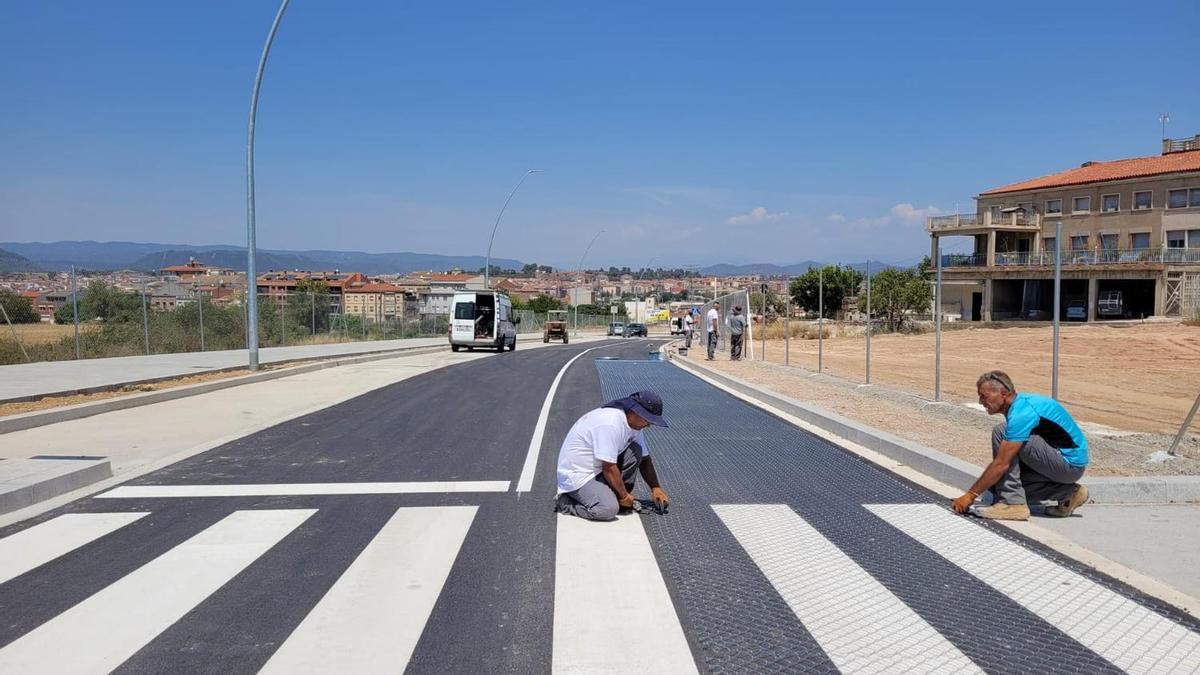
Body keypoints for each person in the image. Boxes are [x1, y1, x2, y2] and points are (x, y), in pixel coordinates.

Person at [952, 371, 1089, 521]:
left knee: (1001, 432)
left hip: (1068, 464)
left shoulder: (1022, 413)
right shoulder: (1018, 404)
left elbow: (1001, 464)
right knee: (996, 486)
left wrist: (970, 495)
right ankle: (1069, 493)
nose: (980, 401)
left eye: (984, 396)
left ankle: (1013, 504)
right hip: (1060, 464)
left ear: (1003, 393)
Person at [555, 391, 671, 521]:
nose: (649, 425)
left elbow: (645, 460)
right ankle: (564, 502)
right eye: (648, 419)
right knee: (607, 509)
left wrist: (655, 488)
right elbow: (609, 467)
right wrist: (624, 496)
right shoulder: (610, 423)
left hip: (597, 470)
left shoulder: (634, 425)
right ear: (635, 412)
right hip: (578, 475)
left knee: (635, 451)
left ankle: (615, 496)